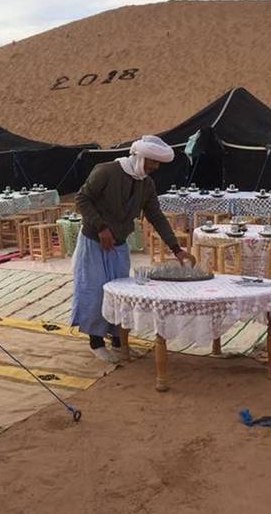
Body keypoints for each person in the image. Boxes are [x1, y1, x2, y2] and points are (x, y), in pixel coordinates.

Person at [72, 135, 195, 363]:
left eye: (157, 164)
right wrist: (100, 227)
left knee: (121, 293)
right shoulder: (106, 171)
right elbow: (82, 199)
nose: (155, 167)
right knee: (95, 290)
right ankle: (96, 342)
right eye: (152, 162)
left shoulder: (145, 183)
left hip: (119, 244)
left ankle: (119, 340)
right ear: (139, 156)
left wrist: (176, 249)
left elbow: (156, 216)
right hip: (93, 242)